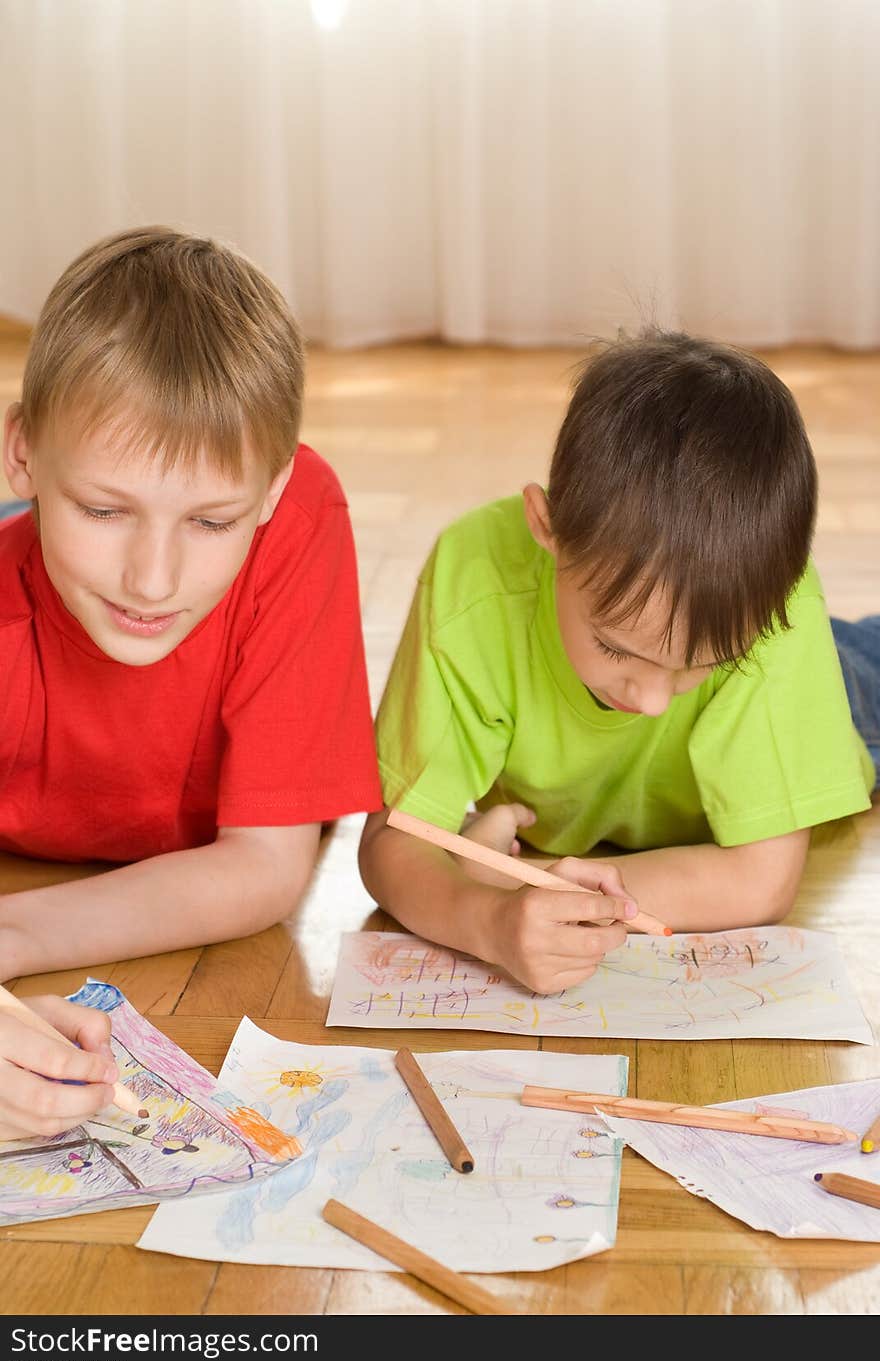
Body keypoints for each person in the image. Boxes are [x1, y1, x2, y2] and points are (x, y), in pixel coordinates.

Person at [0, 227, 382, 1137]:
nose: (153, 580)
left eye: (213, 521)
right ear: (22, 455)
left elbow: (264, 866)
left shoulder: (300, 513)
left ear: (274, 490)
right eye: (103, 510)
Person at [359, 330, 876, 996]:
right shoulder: (473, 581)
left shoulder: (782, 615)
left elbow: (761, 878)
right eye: (615, 646)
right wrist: (489, 919)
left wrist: (544, 887)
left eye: (704, 665)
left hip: (846, 692)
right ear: (547, 529)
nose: (655, 701)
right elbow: (391, 840)